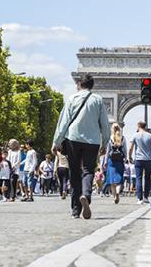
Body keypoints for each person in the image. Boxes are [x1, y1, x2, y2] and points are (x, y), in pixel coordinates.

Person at [52, 74, 110, 219]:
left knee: (75, 173)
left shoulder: (72, 99)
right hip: (92, 141)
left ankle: (75, 210)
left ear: (79, 85)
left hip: (73, 139)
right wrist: (105, 142)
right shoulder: (98, 100)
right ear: (92, 85)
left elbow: (63, 123)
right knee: (88, 170)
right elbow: (105, 124)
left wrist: (56, 142)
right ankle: (86, 195)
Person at [128, 121, 151, 204]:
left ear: (138, 126)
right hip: (148, 159)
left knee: (138, 178)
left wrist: (129, 156)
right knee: (147, 179)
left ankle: (139, 198)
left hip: (138, 159)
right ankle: (146, 197)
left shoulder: (135, 135)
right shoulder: (150, 136)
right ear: (145, 126)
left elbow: (131, 148)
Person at [105, 123, 128, 204]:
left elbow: (107, 151)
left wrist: (105, 162)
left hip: (111, 160)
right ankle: (118, 192)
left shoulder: (110, 139)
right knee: (119, 178)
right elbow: (125, 150)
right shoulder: (123, 138)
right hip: (120, 160)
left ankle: (114, 195)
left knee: (112, 180)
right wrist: (126, 158)